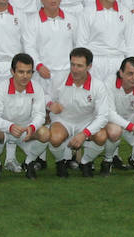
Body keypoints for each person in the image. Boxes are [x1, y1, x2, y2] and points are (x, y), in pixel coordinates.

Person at [0, 53, 50, 180]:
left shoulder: (37, 88)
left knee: (45, 133)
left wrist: (32, 127)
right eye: (21, 72)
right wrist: (10, 126)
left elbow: (40, 114)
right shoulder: (1, 88)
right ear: (12, 71)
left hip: (26, 131)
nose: (25, 76)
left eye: (29, 72)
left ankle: (29, 162)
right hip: (5, 130)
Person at [46, 48, 112, 178]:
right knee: (54, 138)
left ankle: (86, 162)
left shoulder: (98, 86)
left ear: (89, 66)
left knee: (101, 136)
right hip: (63, 120)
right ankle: (61, 162)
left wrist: (84, 134)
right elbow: (46, 96)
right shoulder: (59, 78)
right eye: (72, 64)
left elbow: (103, 117)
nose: (75, 69)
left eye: (80, 66)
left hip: (86, 122)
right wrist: (50, 105)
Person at [21, 0, 77, 93]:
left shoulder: (72, 20)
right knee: (42, 108)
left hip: (67, 74)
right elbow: (28, 47)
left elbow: (77, 45)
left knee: (66, 108)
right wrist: (38, 66)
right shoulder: (31, 21)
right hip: (42, 75)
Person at [78, 0, 133, 85]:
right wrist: (82, 66)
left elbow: (130, 43)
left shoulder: (125, 12)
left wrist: (130, 66)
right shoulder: (87, 11)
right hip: (95, 63)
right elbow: (81, 43)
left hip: (118, 62)